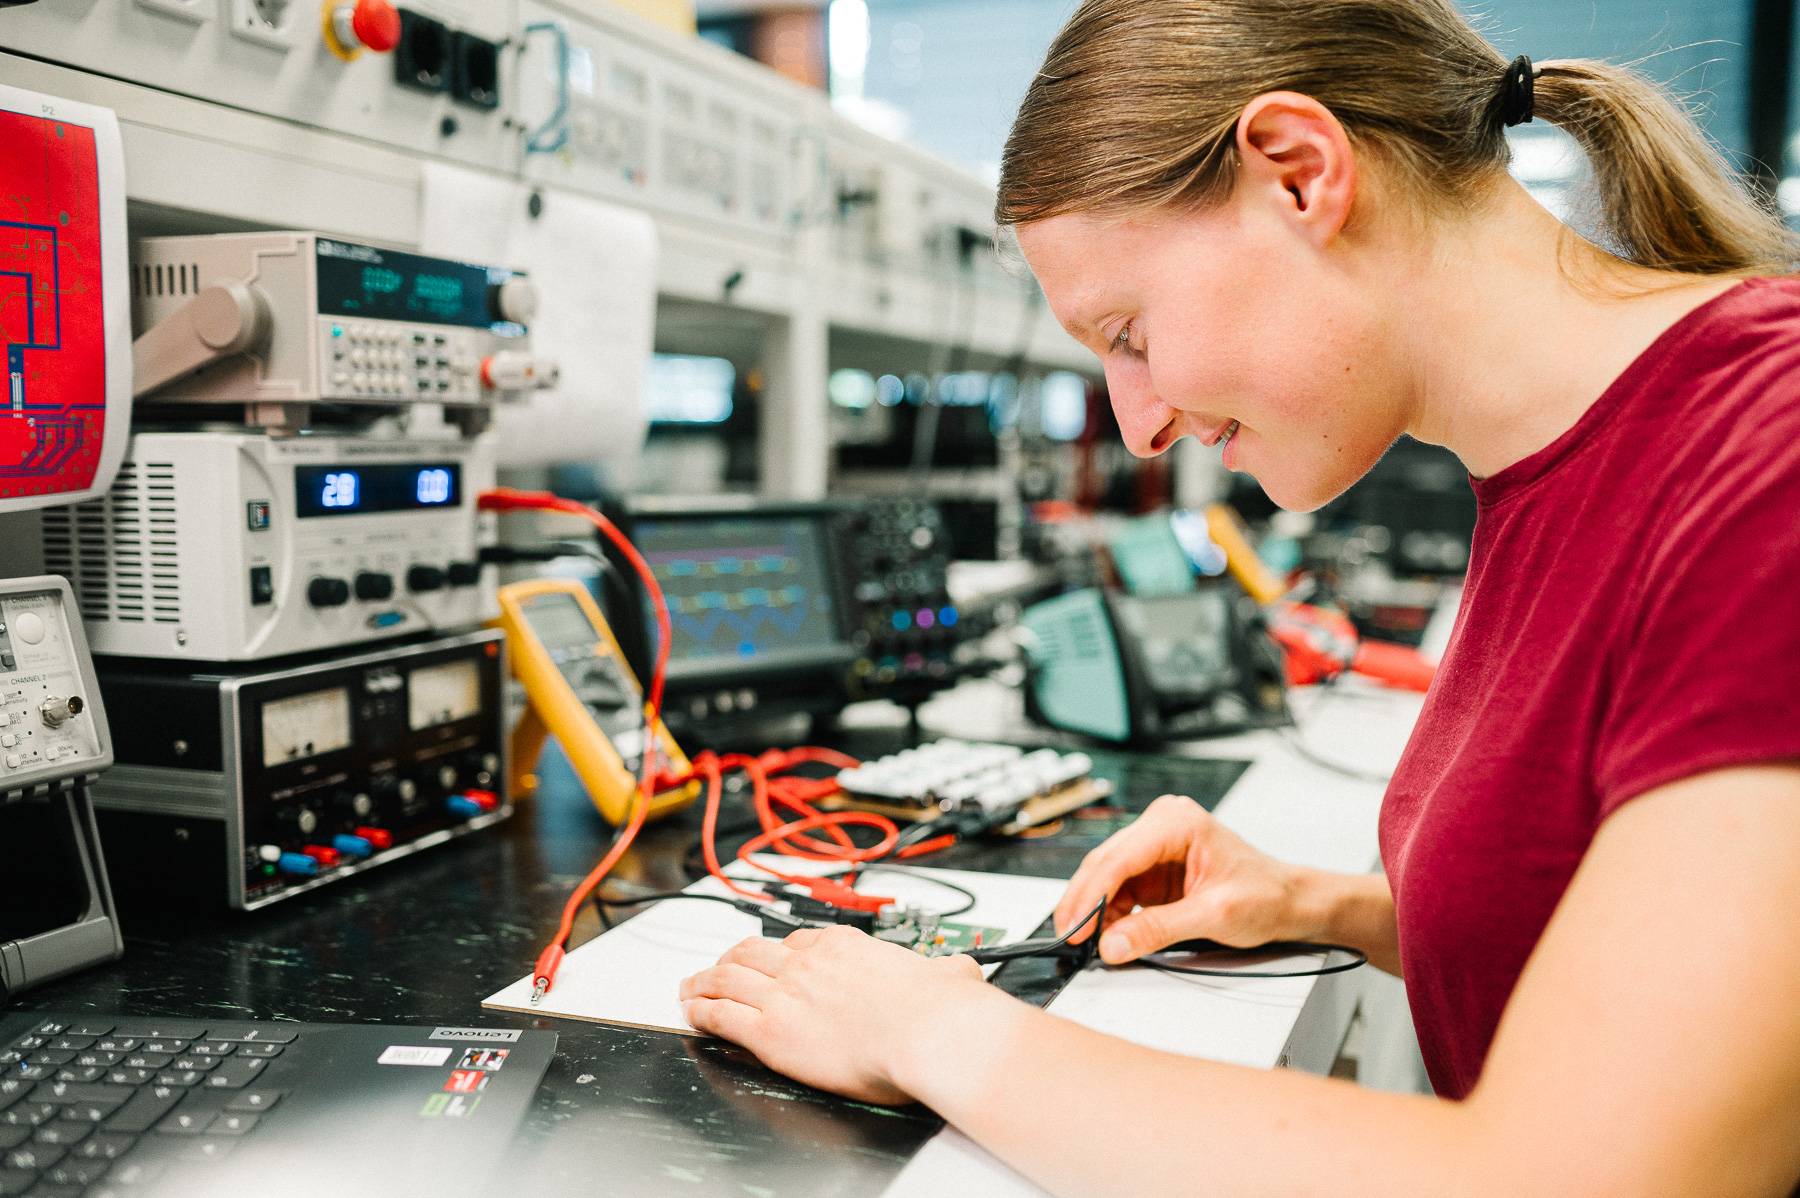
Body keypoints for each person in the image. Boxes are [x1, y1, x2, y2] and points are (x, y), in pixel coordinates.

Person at [680, 1, 1800, 1192]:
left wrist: (935, 1030)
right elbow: (1623, 944)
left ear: (1300, 173)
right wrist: (1317, 903)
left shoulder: (1764, 459)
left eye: (1130, 331)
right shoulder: (1559, 467)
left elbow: (1575, 1173)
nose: (1138, 420)